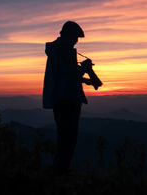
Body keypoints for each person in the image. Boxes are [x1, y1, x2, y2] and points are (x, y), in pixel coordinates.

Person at [43, 21, 94, 176]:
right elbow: (70, 76)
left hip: (61, 98)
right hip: (67, 99)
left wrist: (85, 79)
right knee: (68, 139)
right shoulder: (63, 50)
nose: (76, 41)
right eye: (75, 37)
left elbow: (65, 75)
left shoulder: (57, 50)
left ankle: (60, 172)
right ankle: (60, 174)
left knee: (64, 137)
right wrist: (84, 69)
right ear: (68, 36)